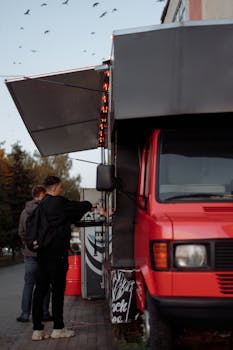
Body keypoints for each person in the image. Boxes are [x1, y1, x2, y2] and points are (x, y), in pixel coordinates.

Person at [31, 175, 92, 341]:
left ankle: (37, 330)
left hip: (42, 255)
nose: (61, 189)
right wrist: (90, 205)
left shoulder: (40, 206)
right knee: (57, 293)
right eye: (60, 187)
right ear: (56, 187)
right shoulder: (59, 202)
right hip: (57, 255)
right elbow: (79, 207)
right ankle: (58, 328)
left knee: (40, 292)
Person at [17, 185, 52, 323]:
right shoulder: (45, 210)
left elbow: (21, 232)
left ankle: (25, 314)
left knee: (28, 284)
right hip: (44, 254)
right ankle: (44, 313)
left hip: (29, 253)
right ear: (41, 195)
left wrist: (28, 245)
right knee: (45, 284)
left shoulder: (24, 212)